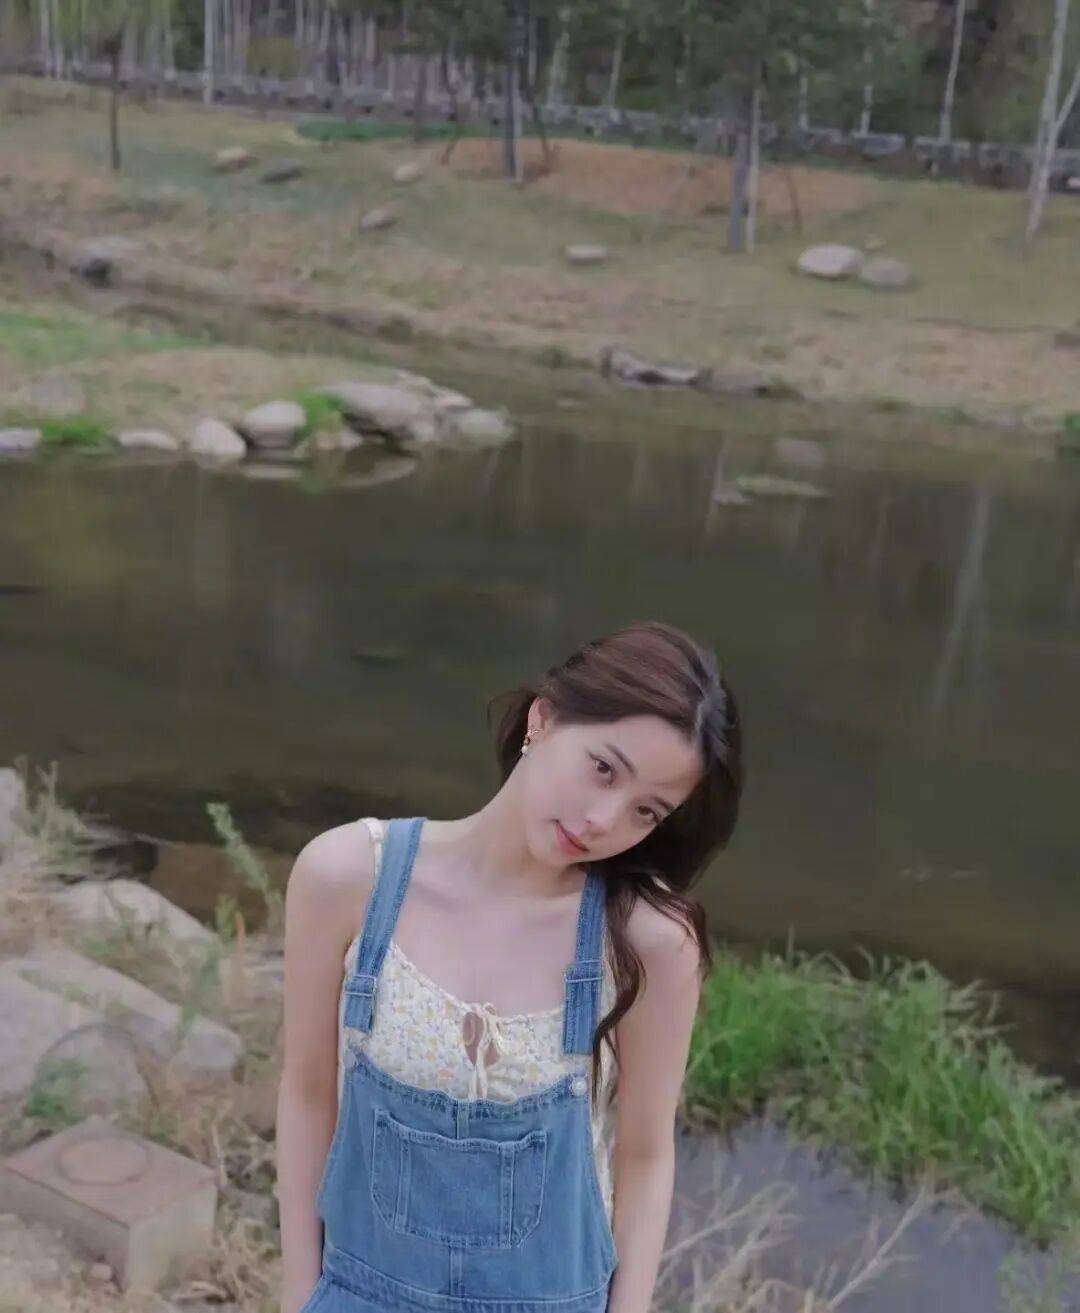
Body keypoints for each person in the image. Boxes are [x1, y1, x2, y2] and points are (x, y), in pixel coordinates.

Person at [276, 619, 744, 1313]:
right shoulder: (350, 875)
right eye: (604, 768)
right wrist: (300, 1294)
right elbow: (307, 1093)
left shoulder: (645, 939)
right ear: (542, 719)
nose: (603, 819)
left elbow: (645, 1156)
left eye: (646, 810)